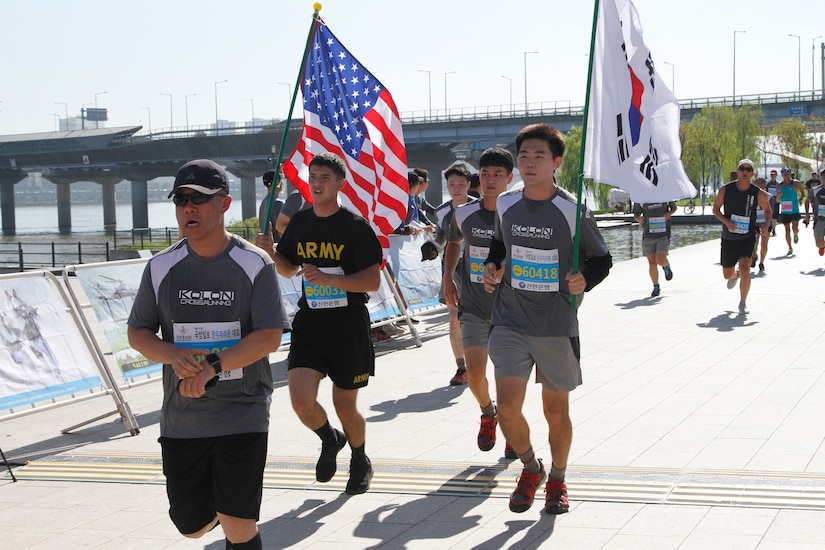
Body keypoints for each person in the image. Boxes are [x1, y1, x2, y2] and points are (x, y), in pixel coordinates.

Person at [127, 159, 287, 550]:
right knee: (191, 527)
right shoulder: (162, 267)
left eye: (199, 199)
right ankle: (219, 511)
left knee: (239, 525)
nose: (188, 209)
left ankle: (234, 516)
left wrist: (213, 366)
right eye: (181, 200)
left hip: (242, 412)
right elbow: (137, 333)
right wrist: (171, 353)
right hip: (183, 419)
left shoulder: (254, 263)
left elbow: (268, 336)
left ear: (225, 204)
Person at [482, 124, 612, 515]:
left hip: (556, 325)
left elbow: (602, 258)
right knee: (506, 407)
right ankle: (530, 468)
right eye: (524, 156)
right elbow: (500, 245)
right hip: (509, 320)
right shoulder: (505, 204)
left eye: (539, 156)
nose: (529, 163)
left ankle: (557, 478)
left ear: (556, 163)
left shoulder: (572, 210)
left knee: (555, 411)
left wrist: (584, 279)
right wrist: (492, 267)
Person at [255, 152, 382, 495]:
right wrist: (271, 251)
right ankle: (330, 438)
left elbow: (372, 281)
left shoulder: (355, 227)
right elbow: (288, 267)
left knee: (345, 405)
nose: (317, 182)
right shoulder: (300, 222)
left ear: (340, 183)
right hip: (310, 321)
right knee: (301, 402)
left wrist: (330, 279)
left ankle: (360, 458)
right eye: (313, 177)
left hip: (348, 324)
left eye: (325, 177)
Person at [443, 147, 517, 459]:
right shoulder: (464, 214)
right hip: (473, 308)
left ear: (509, 179)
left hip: (511, 312)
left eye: (497, 175)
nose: (489, 180)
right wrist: (448, 277)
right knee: (475, 374)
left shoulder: (518, 215)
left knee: (509, 379)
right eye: (484, 174)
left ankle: (514, 429)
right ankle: (489, 413)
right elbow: (454, 243)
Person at [712, 159, 772, 315]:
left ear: (752, 174)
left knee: (746, 268)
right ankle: (735, 275)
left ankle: (743, 302)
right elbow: (716, 209)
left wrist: (765, 225)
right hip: (729, 237)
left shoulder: (758, 193)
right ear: (738, 172)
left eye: (748, 169)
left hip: (748, 236)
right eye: (742, 169)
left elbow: (768, 210)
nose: (745, 172)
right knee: (727, 274)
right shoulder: (726, 189)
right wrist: (727, 222)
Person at [434, 163, 473, 385]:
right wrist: (433, 246)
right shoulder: (441, 211)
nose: (456, 188)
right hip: (452, 268)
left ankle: (481, 361)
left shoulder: (480, 207)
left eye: (460, 184)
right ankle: (461, 367)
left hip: (477, 267)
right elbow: (441, 237)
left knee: (480, 319)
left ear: (468, 185)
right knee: (454, 318)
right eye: (451, 184)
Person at [632, 201, 676, 297]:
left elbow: (674, 208)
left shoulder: (665, 193)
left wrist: (669, 214)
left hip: (663, 234)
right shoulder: (640, 198)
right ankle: (656, 287)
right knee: (652, 263)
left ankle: (666, 266)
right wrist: (639, 219)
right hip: (648, 235)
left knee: (660, 259)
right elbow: (636, 215)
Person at [775, 167, 803, 255]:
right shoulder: (779, 185)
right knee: (787, 230)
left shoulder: (795, 183)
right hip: (784, 211)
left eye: (787, 173)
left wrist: (800, 199)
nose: (785, 175)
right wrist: (778, 196)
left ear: (790, 173)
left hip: (794, 210)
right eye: (783, 173)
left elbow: (802, 193)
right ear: (782, 174)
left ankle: (795, 234)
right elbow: (777, 200)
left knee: (794, 228)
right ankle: (790, 247)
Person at [753, 177, 773, 273]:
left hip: (765, 223)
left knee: (764, 243)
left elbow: (771, 211)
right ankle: (754, 255)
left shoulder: (769, 197)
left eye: (761, 183)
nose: (759, 185)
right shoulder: (752, 196)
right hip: (754, 223)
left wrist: (768, 224)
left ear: (765, 185)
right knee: (754, 243)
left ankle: (761, 262)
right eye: (758, 183)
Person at [258, 167, 285, 237]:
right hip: (276, 245)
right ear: (278, 182)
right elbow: (282, 229)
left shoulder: (264, 202)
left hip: (266, 244)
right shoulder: (278, 203)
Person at [804, 168, 825, 256]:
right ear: (821, 178)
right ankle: (822, 246)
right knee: (818, 243)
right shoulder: (815, 190)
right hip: (819, 219)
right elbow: (807, 201)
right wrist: (807, 215)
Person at [765, 169, 779, 236]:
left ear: (776, 175)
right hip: (769, 201)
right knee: (769, 214)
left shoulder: (778, 184)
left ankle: (774, 229)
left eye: (774, 175)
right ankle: (769, 227)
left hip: (776, 201)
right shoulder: (768, 184)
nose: (772, 176)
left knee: (775, 216)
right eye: (771, 175)